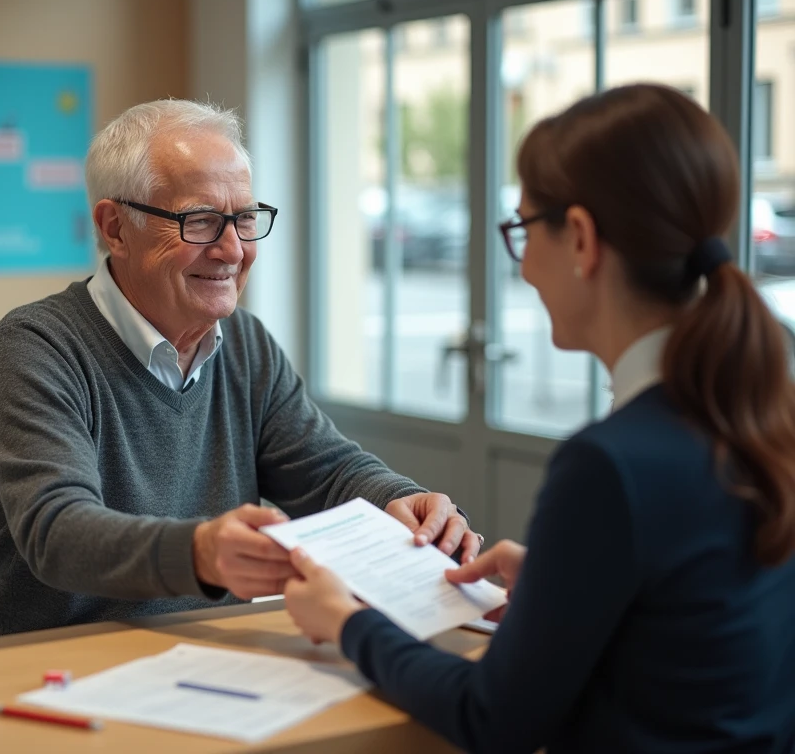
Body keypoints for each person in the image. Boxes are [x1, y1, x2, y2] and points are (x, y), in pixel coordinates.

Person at [283, 83, 795, 753]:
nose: (521, 268)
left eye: (522, 229)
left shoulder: (611, 464)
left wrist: (348, 622)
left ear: (580, 238)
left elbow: (491, 718)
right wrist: (568, 585)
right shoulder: (759, 416)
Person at [0, 99, 479, 640]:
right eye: (201, 220)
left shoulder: (246, 345)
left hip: (206, 651)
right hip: (44, 664)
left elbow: (326, 471)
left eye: (246, 219)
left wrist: (400, 500)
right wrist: (201, 552)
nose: (233, 250)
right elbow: (58, 533)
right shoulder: (38, 348)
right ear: (115, 228)